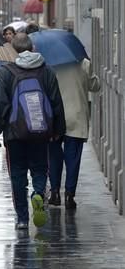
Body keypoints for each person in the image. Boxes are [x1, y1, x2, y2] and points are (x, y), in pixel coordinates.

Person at [0, 33, 66, 230]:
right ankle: (38, 193)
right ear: (32, 48)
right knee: (40, 169)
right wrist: (58, 130)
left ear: (13, 50)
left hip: (15, 135)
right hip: (41, 133)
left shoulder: (6, 72)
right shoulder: (46, 71)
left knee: (17, 175)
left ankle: (22, 218)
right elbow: (56, 102)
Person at [48, 58, 101, 210]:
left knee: (53, 156)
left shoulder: (49, 63)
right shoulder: (83, 63)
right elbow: (95, 86)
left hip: (55, 116)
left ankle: (55, 193)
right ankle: (70, 195)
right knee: (73, 159)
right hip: (76, 116)